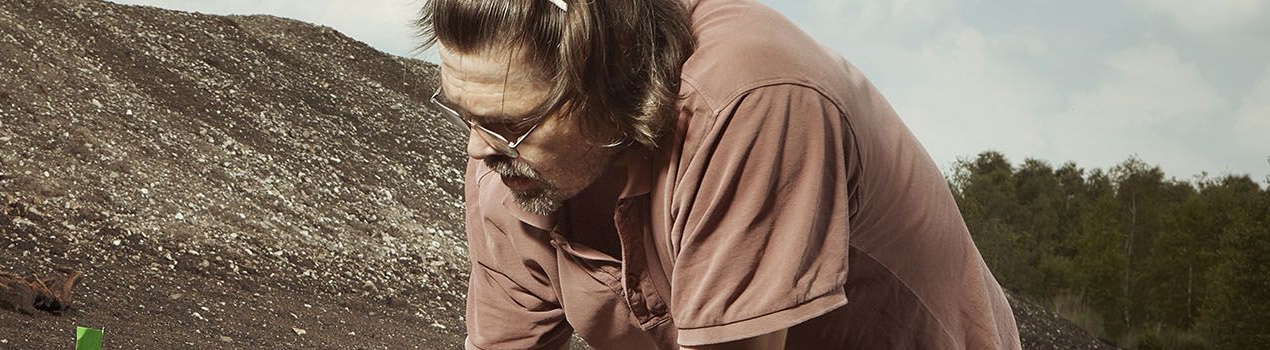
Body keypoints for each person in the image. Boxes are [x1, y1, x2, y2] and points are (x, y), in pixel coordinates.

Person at [416, 0, 1021, 349]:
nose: (481, 150)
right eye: (466, 115)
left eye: (512, 122)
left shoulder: (753, 100)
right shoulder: (506, 160)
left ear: (608, 76)